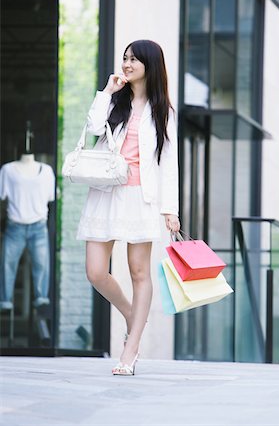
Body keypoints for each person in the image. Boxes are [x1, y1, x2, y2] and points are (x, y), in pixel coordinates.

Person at [77, 40, 180, 376]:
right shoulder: (115, 102)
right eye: (124, 58)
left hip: (141, 198)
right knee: (96, 271)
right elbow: (93, 128)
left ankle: (130, 349)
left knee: (139, 271)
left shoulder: (162, 110)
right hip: (107, 194)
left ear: (149, 64)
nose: (127, 63)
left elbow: (168, 163)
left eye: (134, 59)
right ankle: (132, 314)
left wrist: (171, 209)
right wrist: (106, 91)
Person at [0, 152, 55, 310]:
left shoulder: (47, 171)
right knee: (7, 264)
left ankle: (41, 297)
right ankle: (5, 299)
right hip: (15, 226)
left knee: (42, 265)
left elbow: (51, 196)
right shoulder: (7, 170)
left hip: (38, 226)